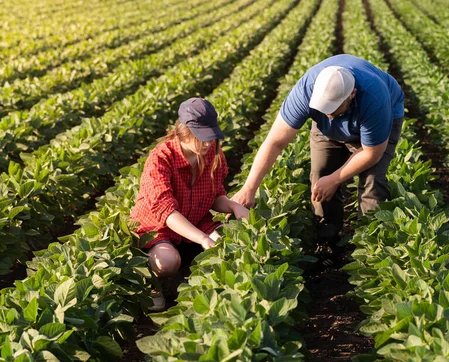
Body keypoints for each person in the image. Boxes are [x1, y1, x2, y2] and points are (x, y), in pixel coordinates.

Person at [232, 54, 404, 256]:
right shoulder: (306, 90)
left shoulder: (375, 98)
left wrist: (335, 180)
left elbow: (371, 154)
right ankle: (327, 240)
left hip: (375, 129)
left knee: (372, 183)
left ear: (352, 94)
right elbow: (275, 142)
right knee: (319, 178)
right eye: (323, 109)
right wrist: (249, 188)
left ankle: (371, 248)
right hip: (327, 132)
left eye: (332, 110)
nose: (328, 115)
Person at [131, 98, 249, 311]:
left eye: (210, 137)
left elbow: (215, 196)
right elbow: (167, 212)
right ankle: (152, 283)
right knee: (166, 262)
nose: (207, 143)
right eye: (201, 138)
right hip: (160, 228)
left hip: (196, 219)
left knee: (232, 244)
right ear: (183, 132)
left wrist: (234, 206)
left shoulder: (212, 153)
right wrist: (202, 238)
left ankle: (194, 278)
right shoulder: (160, 159)